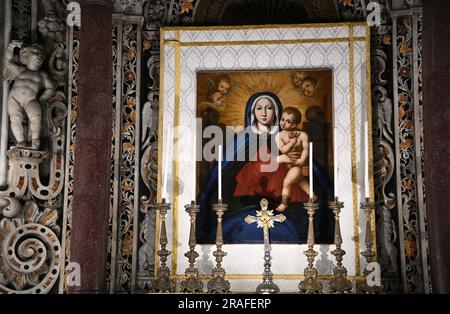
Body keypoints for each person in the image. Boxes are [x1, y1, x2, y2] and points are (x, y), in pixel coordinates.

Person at [4, 41, 56, 149]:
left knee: (36, 117)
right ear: (26, 56)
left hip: (31, 100)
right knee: (15, 118)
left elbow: (51, 88)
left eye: (41, 54)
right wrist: (10, 47)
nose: (39, 55)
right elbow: (8, 62)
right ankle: (20, 141)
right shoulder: (22, 70)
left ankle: (35, 141)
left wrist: (43, 98)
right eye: (35, 52)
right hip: (15, 99)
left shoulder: (42, 75)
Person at [275, 107, 316, 212]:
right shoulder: (279, 136)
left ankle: (284, 203)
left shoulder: (302, 135)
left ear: (293, 125)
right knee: (300, 181)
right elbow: (283, 150)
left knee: (287, 182)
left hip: (299, 165)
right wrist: (291, 143)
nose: (283, 123)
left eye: (288, 121)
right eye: (282, 119)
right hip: (288, 166)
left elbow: (306, 150)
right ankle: (313, 196)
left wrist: (302, 160)